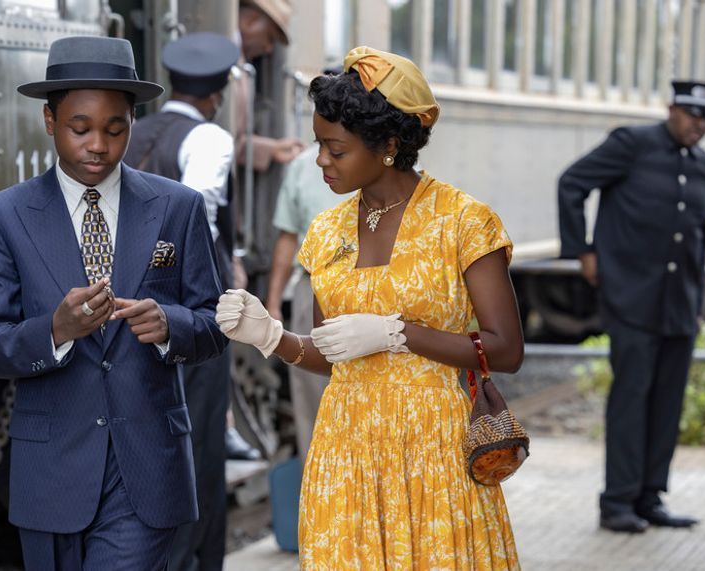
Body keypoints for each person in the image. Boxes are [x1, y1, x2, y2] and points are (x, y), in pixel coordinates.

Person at [216, 47, 523, 568]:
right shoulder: (327, 229)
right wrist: (272, 337)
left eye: (336, 149)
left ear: (388, 145)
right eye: (319, 145)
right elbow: (331, 354)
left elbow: (506, 349)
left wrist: (397, 334)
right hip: (345, 445)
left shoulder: (462, 221)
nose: (321, 160)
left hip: (432, 446)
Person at [0, 36, 227, 570]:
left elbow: (214, 324)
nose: (98, 146)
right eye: (79, 128)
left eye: (115, 129)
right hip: (51, 473)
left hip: (147, 472)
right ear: (48, 120)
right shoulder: (3, 217)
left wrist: (172, 325)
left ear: (132, 122)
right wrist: (55, 331)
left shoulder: (178, 207)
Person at [558, 80, 705, 533]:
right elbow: (572, 183)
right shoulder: (632, 145)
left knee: (667, 401)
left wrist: (696, 302)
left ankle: (651, 497)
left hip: (680, 303)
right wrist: (583, 251)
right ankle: (617, 503)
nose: (698, 123)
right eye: (691, 113)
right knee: (631, 398)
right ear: (671, 109)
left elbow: (692, 239)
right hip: (631, 296)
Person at [123, 32, 238, 571]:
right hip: (187, 313)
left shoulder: (132, 129)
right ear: (216, 92)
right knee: (197, 443)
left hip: (122, 311)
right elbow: (199, 216)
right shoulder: (210, 138)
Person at [265, 141, 354, 458]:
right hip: (310, 286)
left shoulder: (380, 161)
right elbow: (288, 236)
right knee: (310, 395)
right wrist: (274, 302)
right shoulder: (302, 165)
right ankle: (317, 486)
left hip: (366, 288)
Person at [234, 0, 306, 171]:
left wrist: (270, 149)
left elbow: (228, 139)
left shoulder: (239, 61)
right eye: (270, 37)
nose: (268, 49)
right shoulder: (225, 58)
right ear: (250, 21)